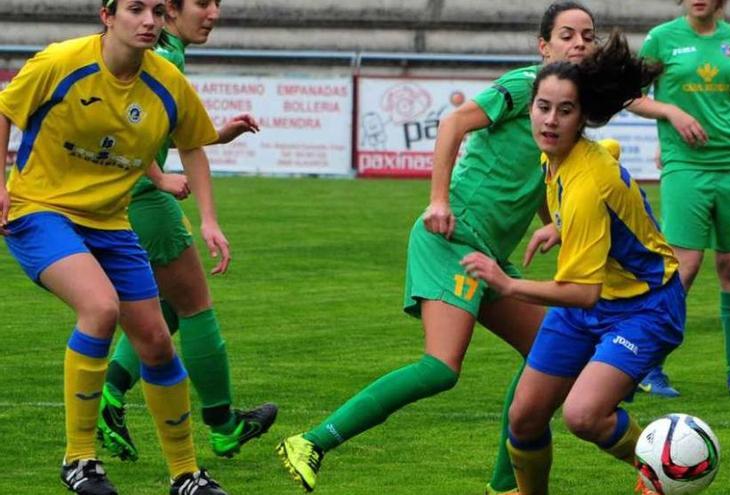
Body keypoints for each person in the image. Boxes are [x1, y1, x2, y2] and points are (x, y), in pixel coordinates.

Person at [277, 2, 598, 493]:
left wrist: (553, 224)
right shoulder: (525, 86)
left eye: (587, 36)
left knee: (549, 356)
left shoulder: (564, 113)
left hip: (487, 255)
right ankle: (312, 441)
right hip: (451, 237)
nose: (578, 43)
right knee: (441, 367)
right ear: (543, 46)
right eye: (567, 35)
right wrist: (438, 201)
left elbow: (532, 179)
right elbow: (452, 124)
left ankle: (504, 485)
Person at [0, 0, 231, 493]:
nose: (148, 21)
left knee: (156, 341)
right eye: (134, 9)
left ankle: (186, 474)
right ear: (106, 16)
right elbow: (4, 108)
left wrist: (209, 220)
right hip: (40, 209)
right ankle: (79, 460)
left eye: (155, 11)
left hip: (110, 222)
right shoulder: (62, 62)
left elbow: (192, 144)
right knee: (100, 308)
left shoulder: (167, 81)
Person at [462, 44, 680, 495]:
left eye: (565, 111)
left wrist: (508, 284)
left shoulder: (585, 180)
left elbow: (582, 292)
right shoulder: (558, 156)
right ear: (531, 109)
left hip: (645, 305)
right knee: (523, 419)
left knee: (584, 416)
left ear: (582, 118)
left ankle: (665, 470)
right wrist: (561, 227)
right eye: (543, 107)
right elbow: (610, 169)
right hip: (592, 304)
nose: (550, 120)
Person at [97, 0, 277, 464]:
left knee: (167, 309)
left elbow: (173, 132)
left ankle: (109, 396)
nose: (213, 12)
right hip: (142, 196)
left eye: (218, 3)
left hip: (124, 194)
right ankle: (224, 425)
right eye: (203, 3)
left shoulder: (163, 51)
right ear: (170, 11)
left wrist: (219, 133)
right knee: (195, 305)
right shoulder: (164, 55)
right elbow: (132, 126)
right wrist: (179, 195)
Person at [628, 0, 730, 397]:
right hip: (685, 164)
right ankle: (650, 367)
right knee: (685, 265)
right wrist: (670, 112)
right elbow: (632, 96)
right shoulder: (661, 39)